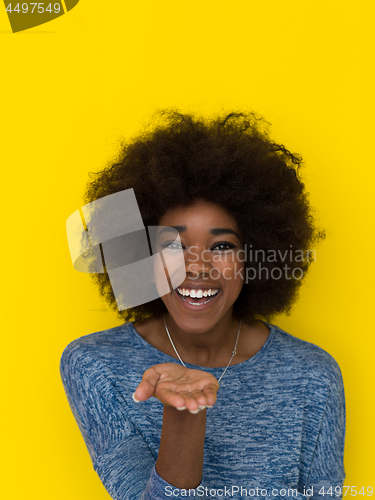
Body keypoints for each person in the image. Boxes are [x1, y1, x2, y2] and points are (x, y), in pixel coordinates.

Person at [60, 110, 346, 500]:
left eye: (222, 246)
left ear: (254, 257)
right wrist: (182, 414)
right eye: (172, 244)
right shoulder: (95, 365)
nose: (196, 266)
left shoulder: (313, 376)